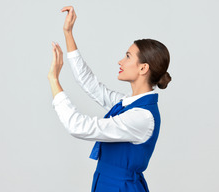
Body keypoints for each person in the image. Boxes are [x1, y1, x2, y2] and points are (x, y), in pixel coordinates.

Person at [48, 6, 172, 192]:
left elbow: (78, 126)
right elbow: (90, 84)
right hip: (108, 185)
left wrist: (54, 80)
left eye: (128, 56)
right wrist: (68, 33)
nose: (120, 61)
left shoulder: (141, 117)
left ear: (143, 68)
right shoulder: (128, 105)